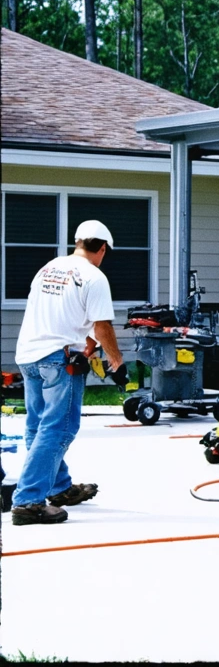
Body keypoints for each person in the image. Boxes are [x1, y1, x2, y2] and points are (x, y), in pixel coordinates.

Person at [10, 220, 127, 525]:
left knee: (38, 428)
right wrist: (117, 362)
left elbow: (69, 315)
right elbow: (102, 325)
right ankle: (27, 501)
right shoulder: (94, 276)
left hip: (29, 356)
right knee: (59, 429)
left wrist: (87, 343)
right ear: (102, 248)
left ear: (77, 242)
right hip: (59, 360)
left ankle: (60, 488)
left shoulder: (49, 268)